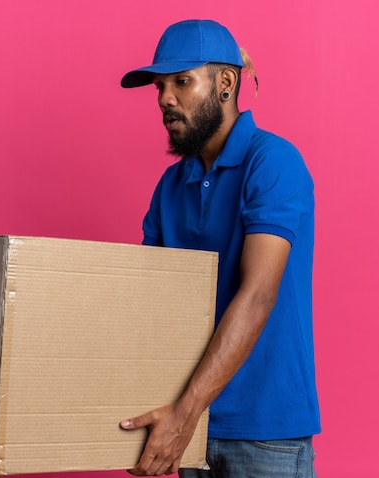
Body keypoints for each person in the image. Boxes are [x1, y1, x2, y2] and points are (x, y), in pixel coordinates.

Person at [119, 19, 320, 477]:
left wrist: (183, 413)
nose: (165, 98)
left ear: (226, 82)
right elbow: (150, 304)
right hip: (191, 426)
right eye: (160, 86)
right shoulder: (171, 185)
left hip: (265, 433)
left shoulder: (272, 162)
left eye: (182, 82)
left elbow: (258, 295)